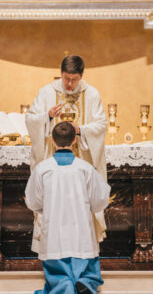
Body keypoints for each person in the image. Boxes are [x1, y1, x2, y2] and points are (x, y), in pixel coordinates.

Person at [26, 55, 108, 251]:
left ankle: (84, 250)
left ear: (81, 76)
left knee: (82, 207)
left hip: (82, 164)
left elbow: (101, 124)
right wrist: (47, 115)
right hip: (52, 165)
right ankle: (51, 251)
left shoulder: (92, 94)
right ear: (61, 74)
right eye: (66, 78)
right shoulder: (47, 92)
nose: (70, 84)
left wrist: (80, 130)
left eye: (74, 79)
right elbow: (30, 119)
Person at [25, 122, 111, 294]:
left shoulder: (42, 169)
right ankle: (85, 281)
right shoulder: (85, 169)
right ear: (74, 141)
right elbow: (100, 201)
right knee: (86, 259)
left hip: (54, 232)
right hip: (81, 232)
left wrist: (48, 208)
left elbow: (33, 202)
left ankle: (64, 285)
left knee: (57, 267)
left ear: (52, 141)